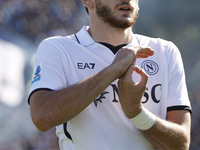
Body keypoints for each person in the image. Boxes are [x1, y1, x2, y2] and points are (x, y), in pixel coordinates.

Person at [28, 0, 192, 149]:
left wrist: (136, 113)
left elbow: (181, 144)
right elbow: (42, 117)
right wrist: (112, 70)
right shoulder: (58, 48)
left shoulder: (165, 51)